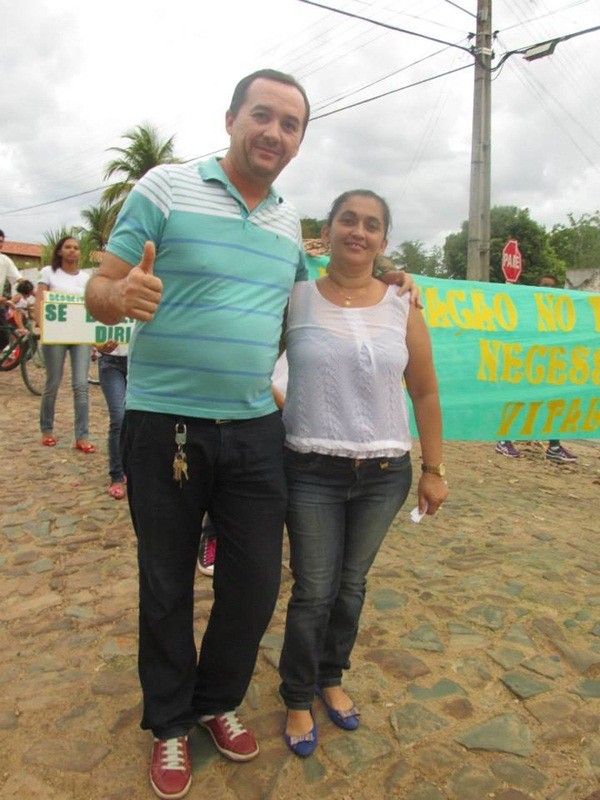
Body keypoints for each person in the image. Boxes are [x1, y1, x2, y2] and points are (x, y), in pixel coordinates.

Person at [85, 70, 415, 800]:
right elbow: (99, 285)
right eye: (262, 115)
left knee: (257, 585)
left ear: (299, 141)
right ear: (232, 117)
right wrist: (121, 293)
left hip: (257, 434)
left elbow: (327, 296)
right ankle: (170, 722)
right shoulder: (164, 189)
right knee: (167, 583)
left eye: (290, 123)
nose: (274, 132)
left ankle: (216, 699)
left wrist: (390, 279)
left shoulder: (285, 227)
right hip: (164, 425)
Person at [278, 190, 448, 757]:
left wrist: (434, 468)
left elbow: (423, 390)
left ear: (383, 239)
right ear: (326, 231)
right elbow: (258, 364)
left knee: (350, 588)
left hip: (384, 473)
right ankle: (298, 694)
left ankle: (331, 675)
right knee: (314, 590)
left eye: (372, 225)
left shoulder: (404, 303)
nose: (359, 231)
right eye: (347, 220)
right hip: (310, 469)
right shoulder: (295, 298)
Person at [495, 274, 577, 463]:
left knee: (552, 403)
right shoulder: (528, 308)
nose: (550, 290)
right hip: (527, 366)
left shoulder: (559, 313)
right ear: (537, 288)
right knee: (518, 402)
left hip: (547, 368)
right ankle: (503, 440)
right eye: (546, 286)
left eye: (554, 287)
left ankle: (554, 447)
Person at [36, 236, 97, 452]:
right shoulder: (48, 273)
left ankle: (82, 436)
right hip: (56, 335)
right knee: (53, 382)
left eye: (76, 248)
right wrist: (42, 327)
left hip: (80, 335)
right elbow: (41, 301)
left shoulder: (86, 277)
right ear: (60, 251)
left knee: (81, 385)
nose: (72, 251)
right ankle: (47, 429)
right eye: (68, 247)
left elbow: (91, 304)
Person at [97, 341, 129, 498]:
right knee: (118, 417)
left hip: (140, 362)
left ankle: (133, 468)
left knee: (139, 418)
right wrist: (94, 344)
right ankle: (117, 475)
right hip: (110, 361)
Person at [0, 230, 23, 349]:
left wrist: (35, 293)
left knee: (4, 339)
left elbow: (20, 279)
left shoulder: (5, 261)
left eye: (1, 241)